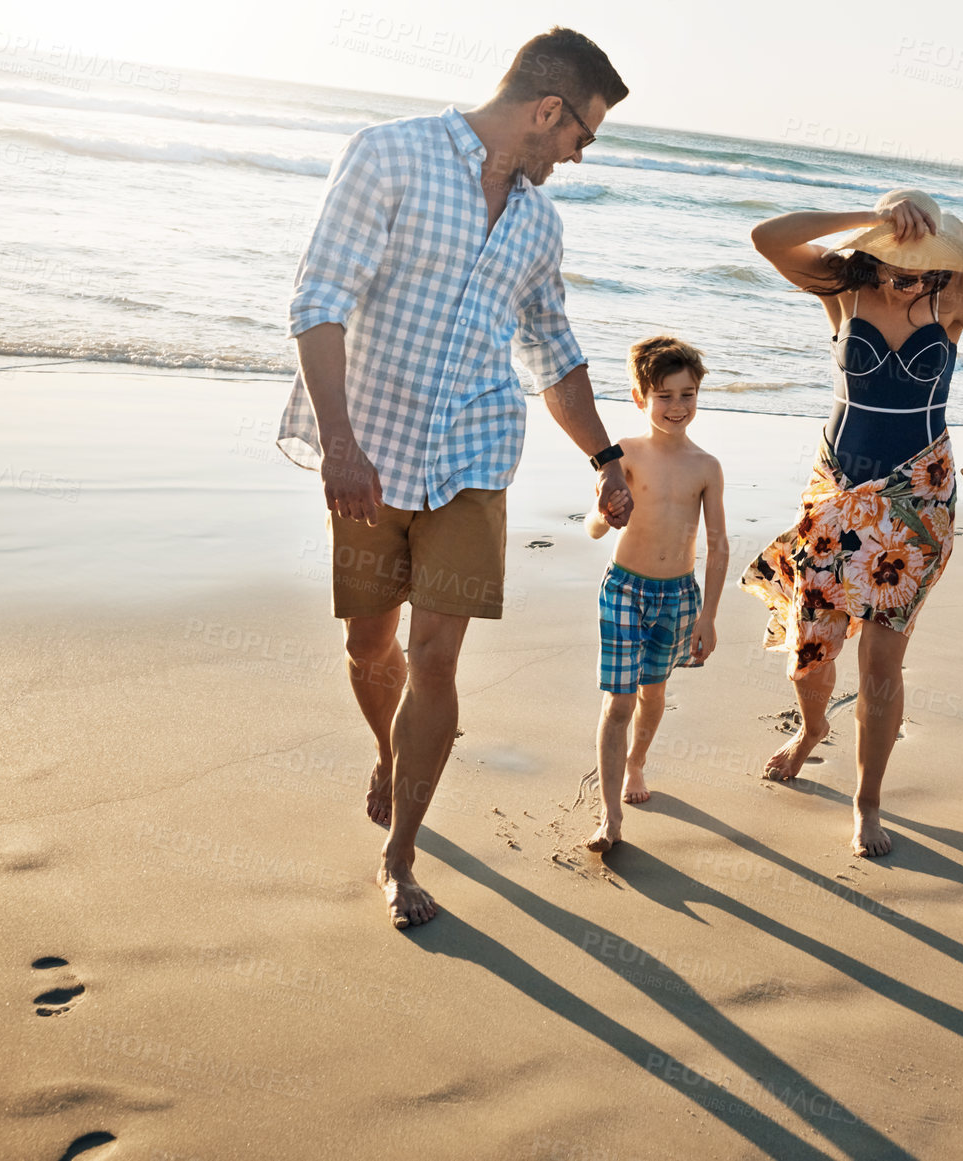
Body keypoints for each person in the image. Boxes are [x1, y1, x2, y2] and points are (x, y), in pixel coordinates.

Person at [275, 28, 631, 928]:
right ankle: (391, 755)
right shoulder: (388, 156)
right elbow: (318, 303)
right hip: (373, 455)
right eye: (581, 135)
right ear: (548, 110)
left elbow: (552, 350)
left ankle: (401, 858)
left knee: (435, 657)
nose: (577, 155)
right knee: (369, 648)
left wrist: (606, 458)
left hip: (474, 459)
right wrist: (341, 444)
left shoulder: (540, 223)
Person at [742, 188, 963, 857]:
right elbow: (768, 236)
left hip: (917, 497)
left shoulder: (956, 294)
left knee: (879, 662)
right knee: (810, 657)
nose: (914, 274)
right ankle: (812, 729)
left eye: (928, 260)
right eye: (902, 256)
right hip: (836, 487)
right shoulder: (843, 285)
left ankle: (867, 802)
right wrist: (867, 218)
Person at [583, 336, 727, 853]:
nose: (676, 407)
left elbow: (717, 547)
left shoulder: (706, 466)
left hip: (678, 596)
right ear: (640, 398)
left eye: (687, 395)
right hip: (624, 586)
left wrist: (708, 616)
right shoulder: (623, 454)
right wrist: (604, 511)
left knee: (654, 692)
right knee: (618, 702)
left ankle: (636, 763)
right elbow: (593, 529)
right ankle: (609, 816)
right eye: (664, 396)